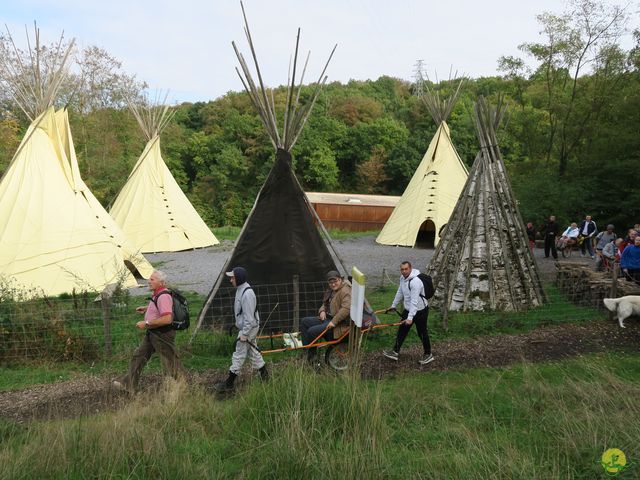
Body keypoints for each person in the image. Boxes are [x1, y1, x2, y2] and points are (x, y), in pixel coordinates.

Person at [113, 270, 185, 392]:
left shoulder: (163, 296)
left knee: (170, 361)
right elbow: (160, 309)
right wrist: (148, 309)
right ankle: (128, 384)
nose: (148, 282)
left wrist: (146, 323)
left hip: (162, 335)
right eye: (149, 279)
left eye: (152, 279)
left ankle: (183, 386)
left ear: (161, 282)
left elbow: (167, 319)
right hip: (153, 333)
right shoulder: (159, 294)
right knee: (139, 357)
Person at [215, 267, 268, 392]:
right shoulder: (240, 289)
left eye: (232, 277)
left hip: (249, 328)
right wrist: (238, 323)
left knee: (239, 353)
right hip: (247, 327)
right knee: (253, 352)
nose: (231, 280)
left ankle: (229, 382)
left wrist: (244, 334)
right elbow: (242, 313)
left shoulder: (247, 294)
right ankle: (265, 375)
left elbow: (249, 319)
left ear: (238, 278)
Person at [383, 261, 433, 365]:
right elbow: (400, 292)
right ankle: (395, 352)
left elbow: (414, 301)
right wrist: (393, 305)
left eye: (406, 269)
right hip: (409, 309)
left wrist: (410, 318)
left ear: (410, 269)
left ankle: (428, 354)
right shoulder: (402, 278)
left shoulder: (415, 282)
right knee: (402, 330)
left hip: (420, 311)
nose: (404, 271)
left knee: (422, 332)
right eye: (402, 269)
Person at [300, 270, 351, 362]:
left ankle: (312, 358)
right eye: (330, 282)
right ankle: (306, 351)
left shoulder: (345, 290)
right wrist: (322, 311)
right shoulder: (332, 290)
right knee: (304, 321)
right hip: (327, 318)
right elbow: (325, 303)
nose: (333, 284)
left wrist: (333, 322)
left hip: (338, 324)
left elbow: (346, 309)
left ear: (340, 279)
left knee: (312, 331)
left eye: (335, 281)